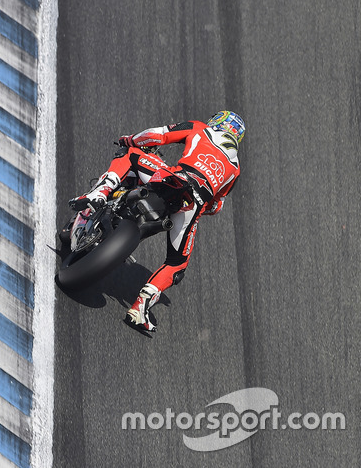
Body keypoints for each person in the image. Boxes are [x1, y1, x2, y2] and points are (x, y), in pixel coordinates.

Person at [68, 111, 245, 333]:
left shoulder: (201, 129)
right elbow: (217, 206)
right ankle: (140, 307)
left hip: (172, 179)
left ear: (217, 122)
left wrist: (129, 139)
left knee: (131, 154)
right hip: (190, 207)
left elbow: (156, 136)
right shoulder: (235, 168)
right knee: (177, 264)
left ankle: (100, 193)